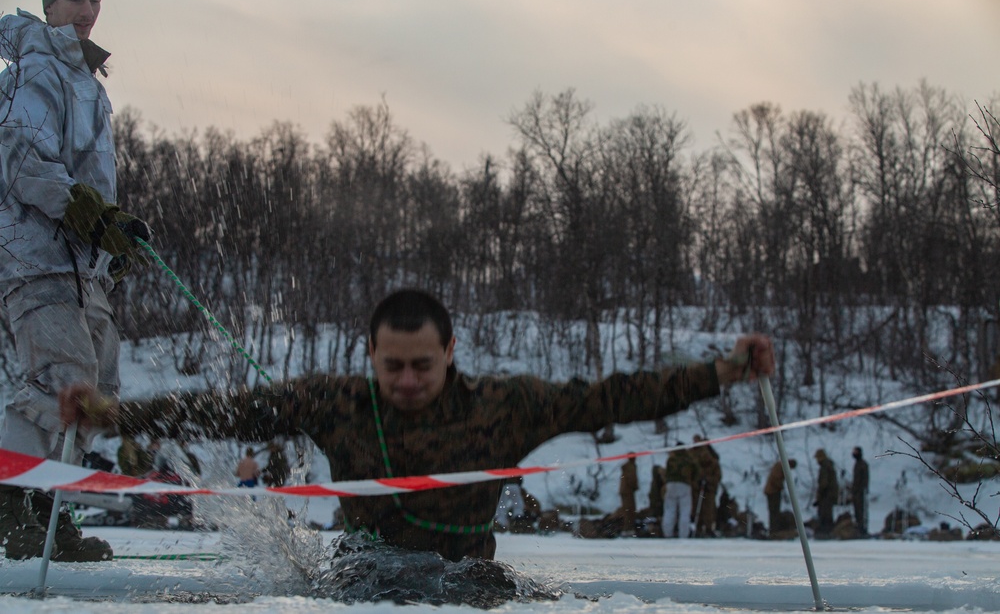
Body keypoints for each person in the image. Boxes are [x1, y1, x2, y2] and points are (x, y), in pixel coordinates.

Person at [61, 288, 775, 562]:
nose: (406, 382)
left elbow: (615, 397)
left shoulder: (506, 405)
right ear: (369, 353)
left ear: (450, 352)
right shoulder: (335, 401)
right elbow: (219, 409)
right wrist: (114, 412)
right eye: (392, 365)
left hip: (468, 590)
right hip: (360, 586)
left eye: (422, 366)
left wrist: (721, 371)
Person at [0, 0, 151, 563]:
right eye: (75, 0)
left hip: (77, 269)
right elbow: (19, 160)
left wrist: (110, 244)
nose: (87, 12)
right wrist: (85, 212)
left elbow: (88, 178)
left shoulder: (87, 80)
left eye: (95, 0)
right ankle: (15, 515)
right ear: (51, 5)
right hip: (35, 260)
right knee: (53, 385)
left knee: (93, 392)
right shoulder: (37, 69)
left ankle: (52, 515)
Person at [661, 442, 700, 539]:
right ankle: (683, 535)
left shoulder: (671, 459)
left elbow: (666, 473)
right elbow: (697, 471)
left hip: (670, 485)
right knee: (685, 511)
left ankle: (667, 533)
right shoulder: (688, 459)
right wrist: (694, 481)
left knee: (669, 510)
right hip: (684, 485)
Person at [691, 435, 721, 537]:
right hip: (697, 487)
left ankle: (708, 528)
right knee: (697, 507)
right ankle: (699, 527)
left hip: (709, 487)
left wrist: (709, 481)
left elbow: (717, 475)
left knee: (709, 508)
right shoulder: (693, 453)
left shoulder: (711, 458)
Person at [763, 458, 797, 537]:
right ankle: (774, 530)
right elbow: (776, 479)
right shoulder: (780, 466)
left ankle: (774, 529)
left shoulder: (781, 465)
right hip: (772, 491)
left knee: (774, 511)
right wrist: (781, 487)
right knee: (774, 511)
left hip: (774, 491)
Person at [814, 448, 838, 537]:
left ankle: (825, 533)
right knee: (828, 513)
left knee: (824, 514)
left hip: (826, 494)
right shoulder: (829, 465)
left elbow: (823, 483)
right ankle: (828, 531)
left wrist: (819, 495)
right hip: (830, 494)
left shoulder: (824, 467)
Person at [618, 455, 639, 537]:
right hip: (628, 491)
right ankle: (628, 529)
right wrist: (635, 486)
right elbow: (632, 479)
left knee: (627, 510)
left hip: (625, 491)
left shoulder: (627, 467)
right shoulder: (631, 467)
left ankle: (627, 528)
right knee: (629, 510)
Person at [851, 446, 869, 537]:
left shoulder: (862, 464)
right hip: (856, 492)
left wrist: (862, 489)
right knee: (857, 511)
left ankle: (862, 529)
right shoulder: (857, 464)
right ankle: (858, 527)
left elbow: (864, 479)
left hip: (860, 492)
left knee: (861, 511)